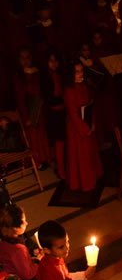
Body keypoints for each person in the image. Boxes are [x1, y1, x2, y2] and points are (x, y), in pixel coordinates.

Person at [64, 59, 103, 192]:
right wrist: (84, 129)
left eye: (81, 71)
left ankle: (92, 177)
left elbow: (88, 104)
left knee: (88, 153)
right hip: (77, 128)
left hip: (86, 123)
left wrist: (92, 123)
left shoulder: (83, 86)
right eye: (77, 72)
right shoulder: (69, 90)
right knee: (80, 154)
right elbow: (73, 114)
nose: (80, 74)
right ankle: (84, 182)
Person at [14, 48, 51, 170]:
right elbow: (20, 99)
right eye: (22, 58)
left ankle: (45, 158)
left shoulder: (37, 72)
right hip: (28, 111)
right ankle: (37, 162)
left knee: (41, 135)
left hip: (39, 109)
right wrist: (26, 117)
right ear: (19, 60)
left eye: (27, 57)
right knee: (32, 137)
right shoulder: (19, 76)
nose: (25, 60)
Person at [0, 205, 42, 280]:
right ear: (15, 228)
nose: (26, 223)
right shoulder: (18, 249)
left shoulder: (4, 242)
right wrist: (38, 261)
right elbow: (27, 275)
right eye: (23, 222)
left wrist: (32, 252)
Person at [41, 50, 66, 179]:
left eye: (55, 61)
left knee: (64, 142)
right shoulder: (45, 77)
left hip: (63, 112)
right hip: (54, 114)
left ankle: (64, 168)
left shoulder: (62, 74)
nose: (54, 64)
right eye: (51, 61)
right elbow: (50, 98)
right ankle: (61, 170)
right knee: (59, 142)